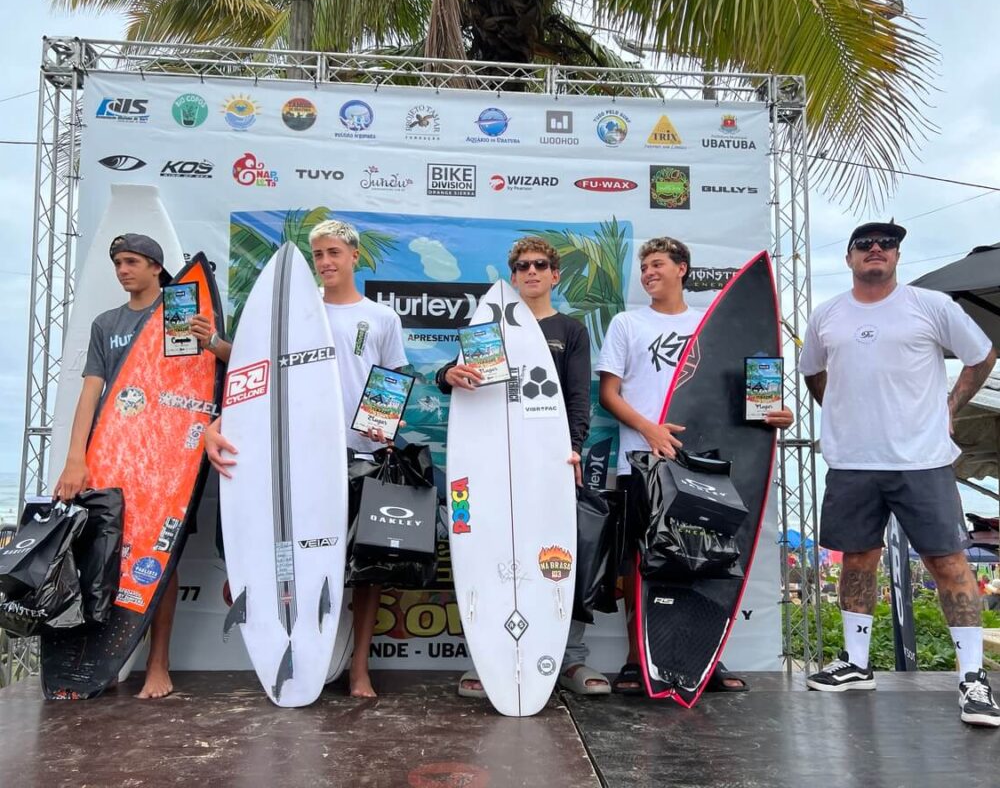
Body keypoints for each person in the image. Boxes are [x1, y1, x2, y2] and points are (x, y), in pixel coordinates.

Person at [799, 220, 999, 728]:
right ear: (849, 259)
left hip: (922, 460)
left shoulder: (931, 306)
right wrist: (842, 412)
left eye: (886, 245)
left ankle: (973, 678)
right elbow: (813, 373)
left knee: (948, 562)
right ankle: (856, 663)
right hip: (852, 462)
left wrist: (951, 404)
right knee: (857, 560)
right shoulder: (827, 315)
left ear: (896, 257)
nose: (875, 250)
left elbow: (981, 355)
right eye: (864, 245)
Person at [205, 219, 407, 699]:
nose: (326, 262)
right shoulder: (295, 314)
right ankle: (285, 646)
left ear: (354, 256)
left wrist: (382, 434)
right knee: (288, 556)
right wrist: (217, 423)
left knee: (366, 569)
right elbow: (254, 378)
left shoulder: (381, 319)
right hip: (297, 459)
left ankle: (359, 667)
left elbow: (392, 381)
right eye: (318, 255)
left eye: (334, 252)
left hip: (360, 455)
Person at [596, 236, 793, 694]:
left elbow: (743, 396)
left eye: (657, 264)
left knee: (707, 560)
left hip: (705, 465)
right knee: (643, 562)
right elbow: (609, 394)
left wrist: (775, 413)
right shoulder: (627, 323)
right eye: (644, 266)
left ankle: (704, 659)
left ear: (682, 268)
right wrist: (650, 430)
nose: (648, 272)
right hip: (642, 460)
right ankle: (637, 659)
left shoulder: (711, 325)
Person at [53, 233, 230, 700]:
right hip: (111, 454)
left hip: (169, 459)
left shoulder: (179, 314)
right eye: (116, 263)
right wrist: (76, 458)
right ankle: (109, 660)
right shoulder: (105, 323)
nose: (122, 270)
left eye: (131, 262)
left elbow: (204, 382)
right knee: (103, 556)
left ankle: (157, 663)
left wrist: (210, 342)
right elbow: (91, 392)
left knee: (160, 558)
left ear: (156, 267)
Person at [436, 236, 610, 697]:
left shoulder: (570, 330)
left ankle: (569, 661)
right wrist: (445, 375)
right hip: (490, 464)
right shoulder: (489, 328)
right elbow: (454, 377)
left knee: (558, 555)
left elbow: (578, 397)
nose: (531, 272)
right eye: (521, 266)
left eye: (540, 265)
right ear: (513, 276)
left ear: (554, 274)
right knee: (486, 552)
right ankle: (486, 658)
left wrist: (572, 449)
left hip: (546, 464)